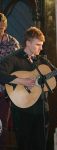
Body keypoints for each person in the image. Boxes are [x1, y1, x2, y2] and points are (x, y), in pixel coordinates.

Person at [0, 26, 57, 150]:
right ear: (28, 43)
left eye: (42, 44)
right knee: (25, 145)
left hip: (41, 111)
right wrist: (22, 81)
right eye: (38, 44)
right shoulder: (14, 59)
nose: (41, 47)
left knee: (40, 145)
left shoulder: (42, 61)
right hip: (22, 112)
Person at [0, 12, 20, 148]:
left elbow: (19, 65)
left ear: (5, 26)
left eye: (0, 28)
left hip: (5, 90)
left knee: (3, 126)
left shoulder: (12, 43)